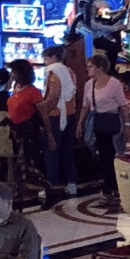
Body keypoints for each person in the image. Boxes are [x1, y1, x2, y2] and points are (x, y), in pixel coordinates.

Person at [81, 52, 128, 197]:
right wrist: (80, 124)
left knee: (109, 153)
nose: (87, 69)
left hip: (110, 122)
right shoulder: (88, 85)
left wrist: (127, 125)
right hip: (96, 121)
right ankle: (109, 182)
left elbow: (123, 105)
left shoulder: (114, 83)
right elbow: (85, 106)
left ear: (99, 68)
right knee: (102, 153)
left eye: (90, 67)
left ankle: (110, 184)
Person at [41, 42, 78, 198]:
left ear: (54, 57)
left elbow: (54, 97)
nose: (45, 62)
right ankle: (71, 183)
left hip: (56, 115)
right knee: (67, 149)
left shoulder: (54, 72)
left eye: (46, 58)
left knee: (51, 150)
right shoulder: (70, 71)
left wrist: (42, 109)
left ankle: (52, 185)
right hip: (71, 113)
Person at [7, 57, 46, 188]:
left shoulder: (33, 92)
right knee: (18, 162)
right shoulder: (15, 87)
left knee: (27, 162)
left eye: (13, 71)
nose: (12, 74)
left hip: (28, 132)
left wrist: (49, 134)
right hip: (15, 130)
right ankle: (21, 188)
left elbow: (43, 114)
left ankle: (39, 187)